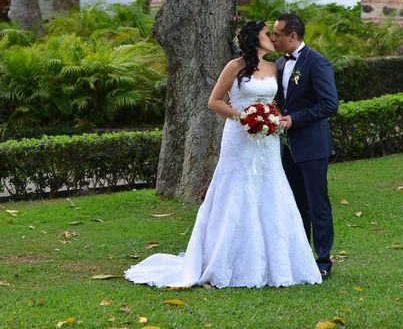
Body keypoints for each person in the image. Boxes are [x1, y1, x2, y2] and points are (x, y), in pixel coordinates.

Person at [124, 21, 322, 288]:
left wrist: (271, 117)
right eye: (268, 34)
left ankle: (278, 263)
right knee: (237, 191)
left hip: (268, 140)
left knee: (271, 191)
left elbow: (275, 102)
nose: (273, 38)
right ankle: (226, 259)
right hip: (239, 138)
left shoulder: (274, 67)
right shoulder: (235, 66)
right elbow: (214, 101)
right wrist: (243, 115)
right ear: (255, 38)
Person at [271, 14, 339, 281]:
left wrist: (295, 119)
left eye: (277, 34)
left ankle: (323, 260)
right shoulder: (278, 63)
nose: (273, 39)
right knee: (296, 204)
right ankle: (300, 256)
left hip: (312, 146)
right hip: (286, 148)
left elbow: (329, 104)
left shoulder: (317, 63)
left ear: (293, 36)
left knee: (317, 203)